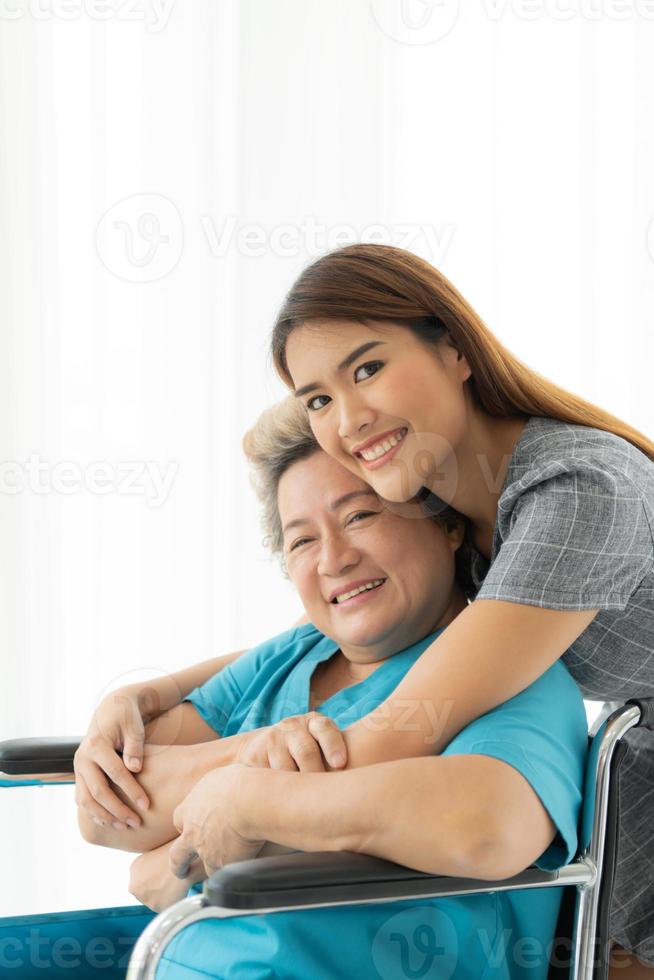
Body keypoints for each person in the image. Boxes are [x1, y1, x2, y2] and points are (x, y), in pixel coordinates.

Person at [75, 243, 653, 975]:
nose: (347, 419)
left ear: (454, 349)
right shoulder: (454, 519)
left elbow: (393, 735)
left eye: (368, 368)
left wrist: (209, 839)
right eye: (318, 398)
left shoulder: (580, 496)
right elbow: (321, 624)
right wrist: (153, 690)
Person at [78, 396, 588, 980]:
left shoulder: (504, 671)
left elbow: (487, 827)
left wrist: (247, 811)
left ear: (446, 522)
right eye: (301, 541)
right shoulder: (293, 656)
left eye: (360, 516)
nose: (334, 560)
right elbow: (106, 813)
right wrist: (252, 755)